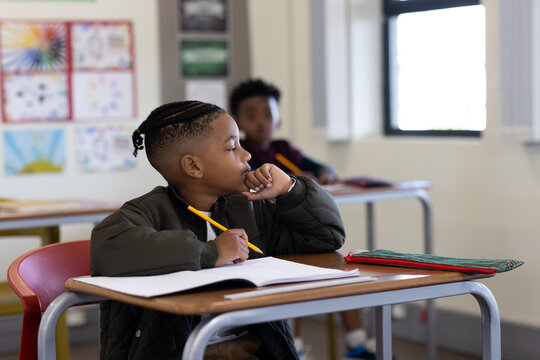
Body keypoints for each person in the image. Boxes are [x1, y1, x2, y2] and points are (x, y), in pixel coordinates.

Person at [90, 100, 346, 359]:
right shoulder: (150, 211)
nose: (247, 155)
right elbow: (107, 246)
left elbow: (326, 237)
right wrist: (210, 252)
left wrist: (290, 189)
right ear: (194, 166)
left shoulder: (249, 208)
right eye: (232, 147)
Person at [230, 79, 376, 360]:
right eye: (251, 116)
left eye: (268, 115)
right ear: (238, 122)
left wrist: (323, 173)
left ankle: (357, 344)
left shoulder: (285, 148)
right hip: (271, 234)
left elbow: (320, 166)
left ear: (279, 118)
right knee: (288, 280)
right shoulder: (242, 154)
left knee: (339, 269)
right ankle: (293, 346)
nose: (261, 122)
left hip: (302, 225)